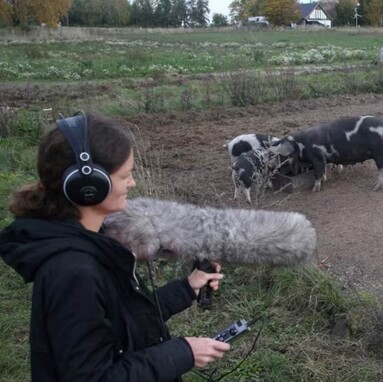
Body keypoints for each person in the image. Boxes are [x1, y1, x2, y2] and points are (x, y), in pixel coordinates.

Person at [0, 112, 230, 381]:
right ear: (89, 187)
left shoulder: (92, 245)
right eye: (125, 176)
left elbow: (124, 322)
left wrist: (187, 288)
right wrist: (182, 353)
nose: (132, 183)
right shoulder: (73, 272)